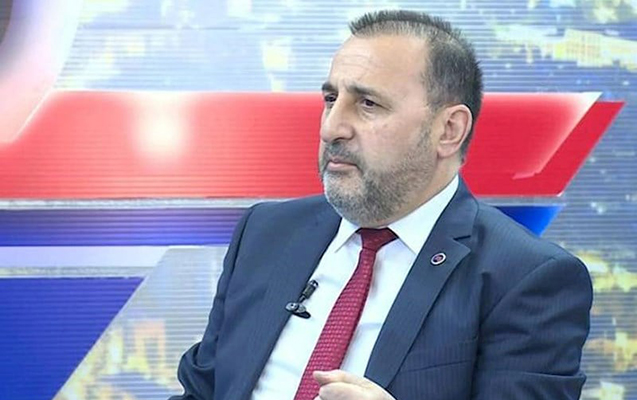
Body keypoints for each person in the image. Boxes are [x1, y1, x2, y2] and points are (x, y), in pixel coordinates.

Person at [170, 10, 592, 400]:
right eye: (331, 99)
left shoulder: (527, 277)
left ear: (449, 129)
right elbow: (202, 391)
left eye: (368, 104)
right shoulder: (266, 232)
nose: (332, 127)